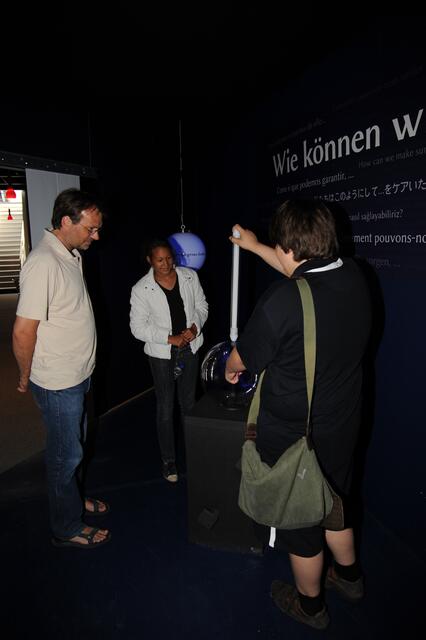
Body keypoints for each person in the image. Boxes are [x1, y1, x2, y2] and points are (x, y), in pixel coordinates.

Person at [225, 199, 371, 630]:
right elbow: (302, 274)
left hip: (295, 439)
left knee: (302, 525)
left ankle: (311, 607)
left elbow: (242, 360)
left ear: (289, 248)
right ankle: (350, 579)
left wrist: (231, 367)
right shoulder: (354, 275)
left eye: (278, 247)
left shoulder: (282, 301)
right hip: (342, 425)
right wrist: (255, 247)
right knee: (334, 504)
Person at [12, 188, 111, 549]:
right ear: (67, 221)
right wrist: (25, 375)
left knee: (76, 448)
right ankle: (66, 526)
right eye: (90, 229)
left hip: (78, 376)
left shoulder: (69, 254)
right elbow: (23, 332)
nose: (95, 237)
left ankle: (74, 499)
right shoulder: (43, 263)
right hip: (58, 383)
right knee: (64, 456)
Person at [130, 239, 208, 482]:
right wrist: (169, 338)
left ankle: (194, 455)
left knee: (189, 404)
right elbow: (137, 328)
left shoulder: (189, 277)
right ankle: (169, 461)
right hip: (162, 355)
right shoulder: (141, 289)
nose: (165, 264)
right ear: (150, 261)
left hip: (190, 349)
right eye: (159, 260)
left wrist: (195, 327)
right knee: (165, 408)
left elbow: (202, 306)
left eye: (169, 258)